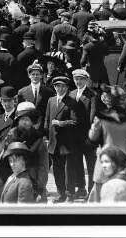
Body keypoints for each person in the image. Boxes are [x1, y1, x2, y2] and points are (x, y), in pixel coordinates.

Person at [44, 75, 86, 203]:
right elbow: (47, 120)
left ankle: (70, 195)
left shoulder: (73, 102)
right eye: (57, 86)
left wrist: (61, 123)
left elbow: (75, 122)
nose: (60, 89)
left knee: (69, 171)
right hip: (53, 142)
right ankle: (61, 193)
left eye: (63, 86)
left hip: (67, 143)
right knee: (57, 171)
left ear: (67, 88)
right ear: (54, 87)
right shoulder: (51, 100)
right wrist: (46, 137)